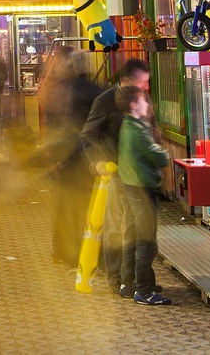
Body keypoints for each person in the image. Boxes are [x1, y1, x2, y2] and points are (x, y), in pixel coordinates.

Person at [79, 57, 151, 296]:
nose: (145, 88)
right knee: (114, 227)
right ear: (124, 81)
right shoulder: (105, 100)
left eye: (147, 83)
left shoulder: (142, 98)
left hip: (139, 173)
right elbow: (88, 134)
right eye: (141, 82)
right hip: (115, 172)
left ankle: (132, 279)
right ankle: (115, 277)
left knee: (137, 227)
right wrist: (97, 161)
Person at [41, 47, 101, 265]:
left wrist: (52, 155)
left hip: (64, 154)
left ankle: (62, 249)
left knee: (66, 204)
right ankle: (85, 250)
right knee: (86, 204)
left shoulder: (56, 89)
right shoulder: (88, 89)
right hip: (84, 155)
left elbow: (53, 122)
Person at [116, 84, 172, 305]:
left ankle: (127, 283)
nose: (147, 104)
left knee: (131, 236)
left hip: (130, 186)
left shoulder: (126, 127)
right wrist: (164, 152)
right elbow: (158, 157)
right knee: (146, 241)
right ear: (133, 105)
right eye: (143, 101)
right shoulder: (138, 130)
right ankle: (144, 290)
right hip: (142, 189)